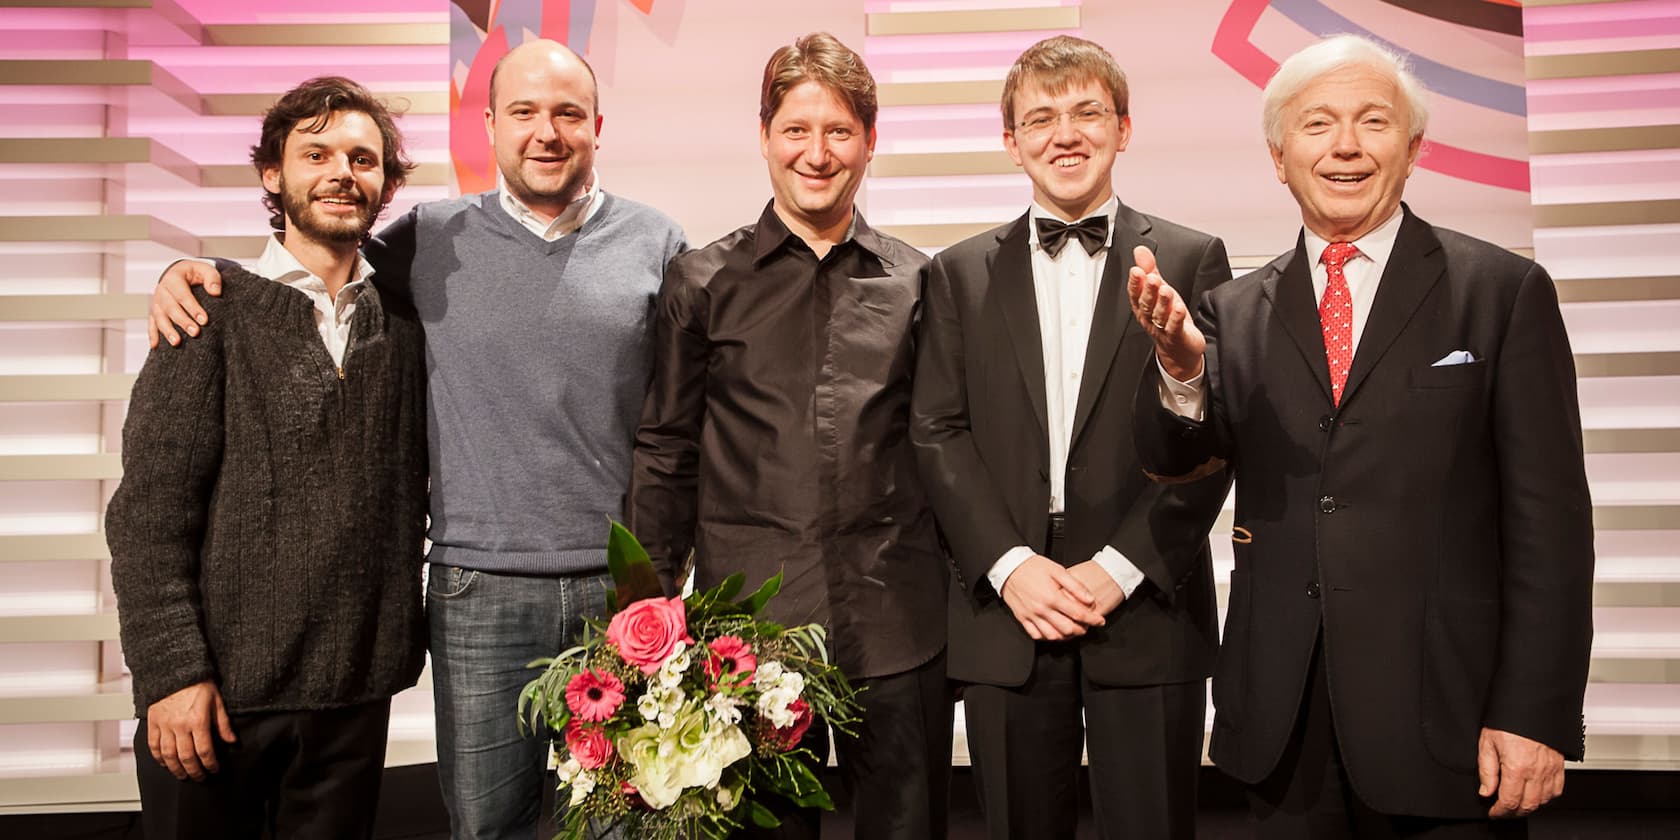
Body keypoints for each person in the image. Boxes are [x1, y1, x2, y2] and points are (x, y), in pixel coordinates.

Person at [146, 40, 686, 840]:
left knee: (624, 827)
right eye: (526, 112)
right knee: (486, 826)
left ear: (597, 126)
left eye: (568, 113)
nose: (548, 132)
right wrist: (191, 271)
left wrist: (665, 574)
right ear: (492, 125)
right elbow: (314, 265)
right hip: (477, 592)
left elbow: (679, 422)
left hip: (622, 591)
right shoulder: (423, 241)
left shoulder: (660, 244)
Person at [1128, 33, 1594, 838]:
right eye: (1317, 126)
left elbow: (1550, 525)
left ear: (1412, 149)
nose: (1345, 145)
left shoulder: (1501, 290)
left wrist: (1535, 711)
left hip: (1449, 723)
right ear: (1279, 157)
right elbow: (1176, 462)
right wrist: (1177, 367)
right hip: (1282, 725)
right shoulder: (1233, 311)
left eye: (1372, 122)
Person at [626, 32, 950, 840]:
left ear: (871, 142)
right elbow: (667, 450)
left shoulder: (919, 280)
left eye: (839, 131)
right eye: (796, 130)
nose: (817, 153)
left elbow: (947, 447)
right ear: (765, 137)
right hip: (750, 629)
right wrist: (647, 612)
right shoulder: (702, 280)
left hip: (898, 621)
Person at [908, 35, 1232, 840]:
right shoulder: (958, 272)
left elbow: (1219, 434)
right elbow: (937, 431)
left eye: (1088, 112)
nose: (1066, 134)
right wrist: (1010, 565)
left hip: (1147, 597)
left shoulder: (1193, 258)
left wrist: (1122, 567)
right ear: (1010, 140)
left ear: (1124, 128)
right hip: (1006, 608)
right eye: (1041, 118)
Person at [108, 76, 427, 839]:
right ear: (272, 174)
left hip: (353, 699)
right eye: (315, 153)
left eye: (362, 157)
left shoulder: (408, 324)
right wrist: (172, 674)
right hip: (215, 705)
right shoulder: (211, 308)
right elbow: (148, 516)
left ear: (385, 183)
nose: (341, 173)